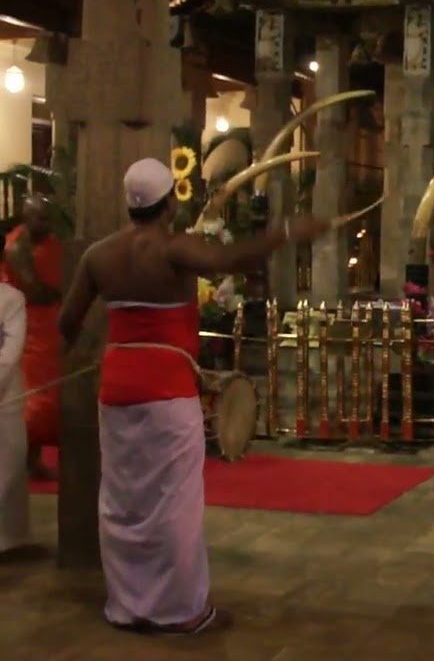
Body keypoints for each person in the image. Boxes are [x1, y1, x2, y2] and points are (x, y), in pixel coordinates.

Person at [57, 158, 330, 635]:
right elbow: (231, 260)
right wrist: (287, 230)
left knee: (122, 500)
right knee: (173, 503)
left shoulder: (98, 255)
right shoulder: (173, 247)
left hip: (117, 387)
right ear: (169, 203)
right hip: (165, 389)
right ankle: (180, 611)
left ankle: (128, 606)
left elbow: (67, 322)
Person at [1, 195, 63, 481]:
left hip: (50, 328)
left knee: (49, 397)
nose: (46, 224)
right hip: (27, 327)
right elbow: (34, 290)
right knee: (32, 402)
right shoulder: (17, 247)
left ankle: (33, 459)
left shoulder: (51, 242)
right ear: (26, 218)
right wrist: (68, 293)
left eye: (48, 217)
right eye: (40, 218)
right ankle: (14, 461)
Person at [0, 235, 31, 558]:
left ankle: (12, 539)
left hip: (4, 395)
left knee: (9, 462)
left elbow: (10, 351)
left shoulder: (10, 299)